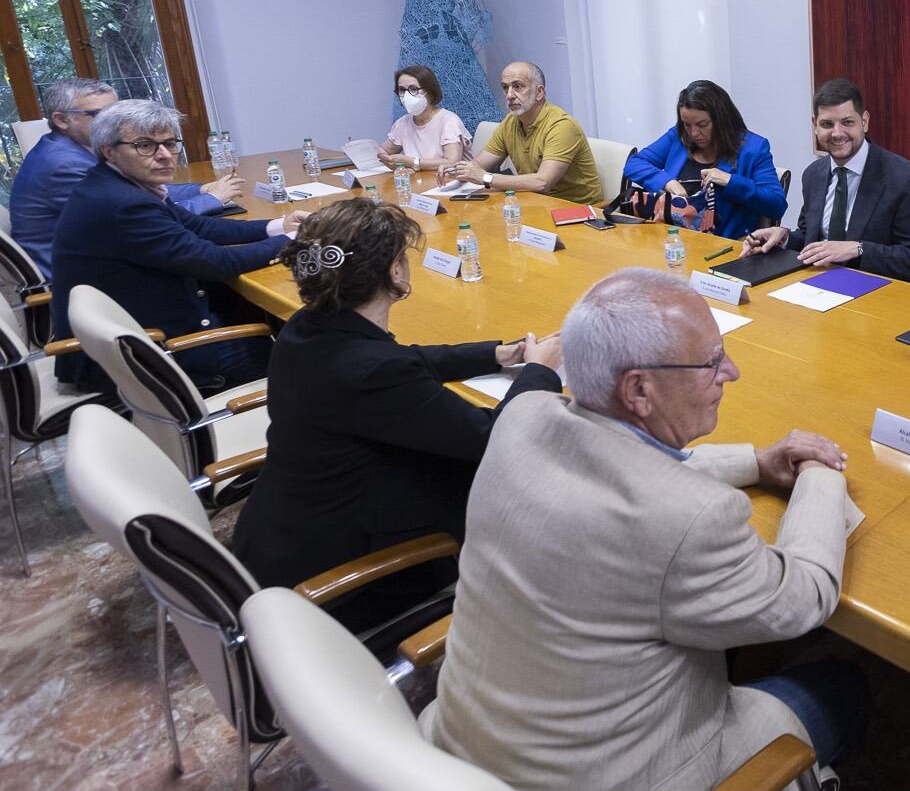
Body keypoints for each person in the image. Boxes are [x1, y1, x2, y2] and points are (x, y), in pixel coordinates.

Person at [423, 269, 866, 791]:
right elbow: (805, 597)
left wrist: (756, 461)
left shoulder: (522, 417)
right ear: (639, 390)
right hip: (611, 787)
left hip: (461, 757)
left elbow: (623, 465)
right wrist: (823, 473)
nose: (733, 371)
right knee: (846, 689)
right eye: (711, 362)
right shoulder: (691, 520)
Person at [232, 200, 563, 631]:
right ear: (395, 272)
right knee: (525, 486)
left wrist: (495, 354)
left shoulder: (307, 328)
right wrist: (541, 371)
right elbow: (493, 440)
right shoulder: (373, 370)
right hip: (344, 582)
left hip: (282, 542)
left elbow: (403, 359)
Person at [49, 100, 306, 394]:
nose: (164, 156)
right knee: (307, 353)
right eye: (145, 146)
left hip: (137, 331)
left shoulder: (121, 184)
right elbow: (214, 262)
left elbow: (199, 227)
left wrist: (280, 226)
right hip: (147, 356)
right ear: (109, 150)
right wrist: (293, 241)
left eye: (169, 144)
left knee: (262, 316)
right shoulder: (124, 205)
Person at [9, 78, 243, 278]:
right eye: (101, 115)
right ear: (61, 120)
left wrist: (200, 190)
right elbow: (148, 217)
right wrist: (212, 199)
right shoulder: (64, 165)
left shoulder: (77, 148)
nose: (117, 122)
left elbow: (142, 192)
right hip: (89, 283)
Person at [740, 78, 910, 283]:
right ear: (815, 125)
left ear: (865, 121)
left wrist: (858, 249)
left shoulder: (905, 179)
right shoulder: (813, 174)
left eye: (847, 122)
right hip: (818, 285)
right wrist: (783, 236)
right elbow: (811, 237)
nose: (837, 133)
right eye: (827, 124)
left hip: (875, 293)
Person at [624, 80, 787, 240]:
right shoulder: (678, 136)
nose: (693, 133)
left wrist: (730, 181)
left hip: (719, 245)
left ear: (722, 120)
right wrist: (666, 181)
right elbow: (634, 163)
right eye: (687, 125)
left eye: (702, 125)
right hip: (669, 238)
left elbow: (776, 205)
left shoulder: (753, 148)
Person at [439, 61, 602, 203]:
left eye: (518, 87)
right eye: (505, 88)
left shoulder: (561, 126)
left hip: (574, 210)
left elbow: (543, 182)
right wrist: (458, 170)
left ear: (539, 92)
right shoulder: (510, 122)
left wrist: (485, 177)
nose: (509, 95)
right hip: (533, 202)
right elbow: (480, 164)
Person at [376, 63, 470, 171]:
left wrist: (410, 162)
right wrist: (382, 157)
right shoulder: (402, 123)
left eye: (413, 89)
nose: (407, 96)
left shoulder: (449, 121)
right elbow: (385, 152)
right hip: (421, 181)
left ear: (429, 91)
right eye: (402, 90)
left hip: (452, 182)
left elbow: (452, 162)